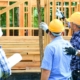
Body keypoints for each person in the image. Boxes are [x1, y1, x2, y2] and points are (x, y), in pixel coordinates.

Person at [63, 12, 80, 80]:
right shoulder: (76, 31)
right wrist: (63, 18)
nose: (70, 24)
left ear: (75, 25)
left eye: (71, 23)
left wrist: (76, 52)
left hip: (78, 71)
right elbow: (69, 24)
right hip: (73, 70)